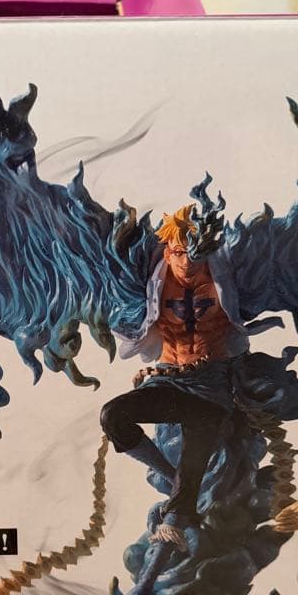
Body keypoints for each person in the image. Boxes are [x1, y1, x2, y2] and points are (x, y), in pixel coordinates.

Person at [100, 205, 249, 545]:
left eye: (194, 253)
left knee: (202, 429)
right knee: (112, 415)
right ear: (168, 251)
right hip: (167, 378)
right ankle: (172, 478)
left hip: (211, 385)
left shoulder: (225, 277)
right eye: (179, 253)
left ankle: (177, 519)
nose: (187, 262)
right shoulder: (151, 281)